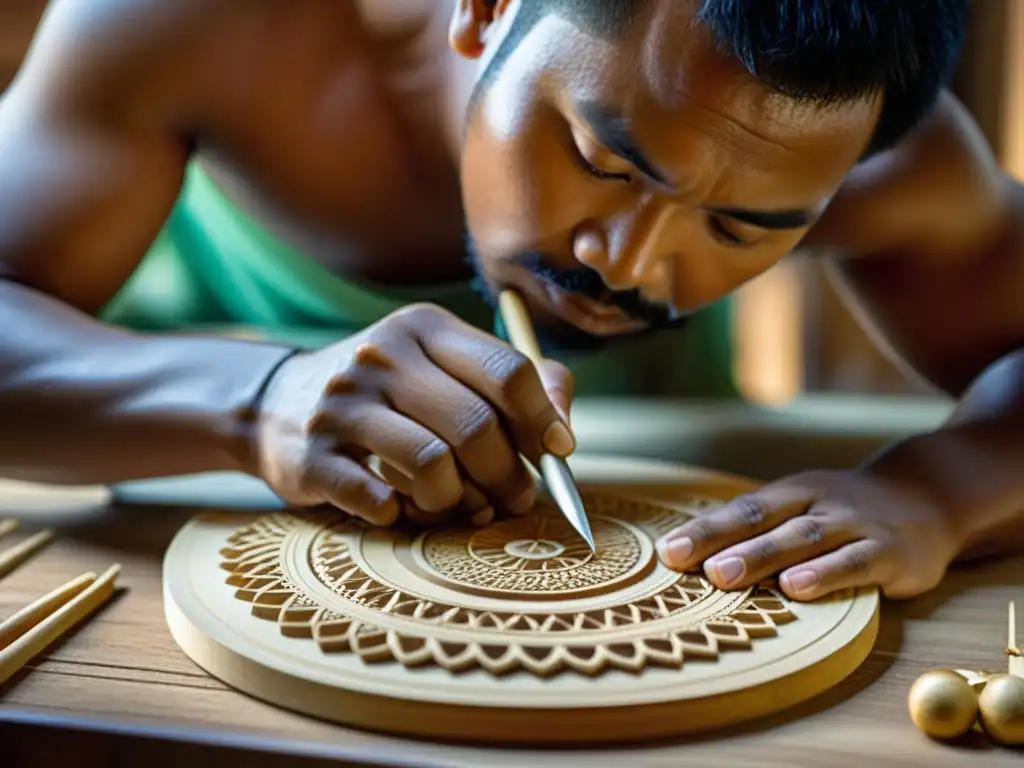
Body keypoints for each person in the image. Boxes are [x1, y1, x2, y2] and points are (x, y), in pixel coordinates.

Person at [0, 0, 1019, 604]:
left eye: (741, 229)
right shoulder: (205, 24)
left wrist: (940, 490)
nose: (627, 265)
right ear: (486, 8)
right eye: (601, 162)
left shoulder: (864, 157)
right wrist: (254, 400)